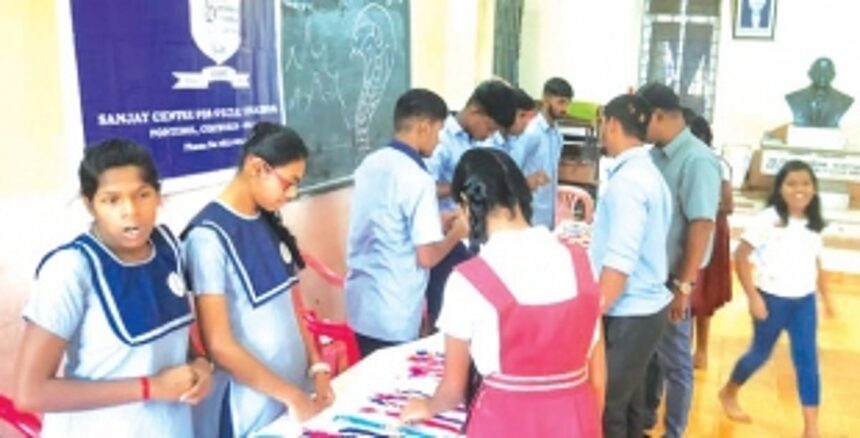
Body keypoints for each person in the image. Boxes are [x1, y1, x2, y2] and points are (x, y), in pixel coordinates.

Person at [400, 148, 604, 437]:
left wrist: (428, 405)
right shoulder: (582, 261)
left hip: (505, 422)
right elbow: (597, 375)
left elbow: (453, 390)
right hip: (576, 419)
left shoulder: (468, 279)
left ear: (466, 206)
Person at [15, 139, 212, 437]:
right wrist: (151, 387)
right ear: (89, 204)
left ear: (158, 196)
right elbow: (30, 392)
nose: (130, 211)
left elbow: (169, 335)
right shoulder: (71, 269)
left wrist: (200, 364)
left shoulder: (168, 248)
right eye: (111, 200)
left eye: (142, 195)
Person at [183, 122, 330, 436]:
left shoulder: (266, 221)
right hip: (251, 407)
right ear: (257, 168)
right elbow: (219, 346)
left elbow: (295, 311)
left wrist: (317, 365)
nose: (292, 194)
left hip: (293, 394)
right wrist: (290, 395)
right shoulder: (208, 237)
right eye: (288, 183)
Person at [345, 89, 468, 357]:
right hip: (394, 308)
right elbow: (426, 257)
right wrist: (457, 233)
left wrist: (437, 221)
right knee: (390, 386)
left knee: (368, 376)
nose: (438, 141)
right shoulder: (418, 178)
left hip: (362, 302)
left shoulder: (371, 163)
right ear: (424, 127)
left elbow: (387, 220)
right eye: (438, 131)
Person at [719, 160, 834, 438]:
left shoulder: (814, 223)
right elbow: (741, 256)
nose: (799, 189)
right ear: (780, 188)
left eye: (806, 183)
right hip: (772, 300)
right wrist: (753, 297)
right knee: (759, 354)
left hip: (803, 303)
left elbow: (815, 260)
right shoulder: (767, 220)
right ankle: (730, 390)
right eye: (792, 183)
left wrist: (826, 298)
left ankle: (811, 428)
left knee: (807, 360)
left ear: (814, 188)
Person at [638, 83, 721, 438]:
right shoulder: (655, 156)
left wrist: (684, 287)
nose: (637, 128)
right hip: (649, 276)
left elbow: (701, 224)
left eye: (640, 120)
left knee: (676, 363)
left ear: (657, 115)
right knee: (649, 358)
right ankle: (644, 420)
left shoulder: (697, 159)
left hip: (673, 279)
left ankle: (675, 432)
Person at [590, 95, 673, 437]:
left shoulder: (628, 182)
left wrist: (592, 311)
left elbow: (620, 260)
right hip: (644, 309)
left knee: (607, 406)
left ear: (611, 123)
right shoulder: (647, 172)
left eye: (602, 127)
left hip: (629, 311)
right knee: (631, 407)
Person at [422, 80, 516, 329]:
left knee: (473, 314)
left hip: (471, 239)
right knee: (445, 316)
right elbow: (423, 188)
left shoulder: (478, 141)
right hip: (445, 239)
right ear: (474, 111)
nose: (489, 133)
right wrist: (461, 187)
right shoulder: (441, 139)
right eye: (489, 125)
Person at [682, 108, 734, 370]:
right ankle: (688, 347)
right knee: (691, 293)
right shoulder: (688, 160)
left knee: (702, 294)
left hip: (711, 230)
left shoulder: (714, 164)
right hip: (698, 228)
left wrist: (706, 205)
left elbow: (729, 205)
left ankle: (701, 351)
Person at [510, 77, 574, 229]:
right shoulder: (531, 132)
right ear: (546, 99)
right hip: (529, 213)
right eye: (561, 102)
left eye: (567, 103)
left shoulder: (558, 134)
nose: (565, 109)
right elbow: (512, 169)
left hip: (549, 213)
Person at [785, 57, 854, 128]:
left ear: (833, 75)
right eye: (818, 71)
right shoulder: (794, 98)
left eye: (827, 72)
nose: (822, 76)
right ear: (809, 73)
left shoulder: (844, 100)